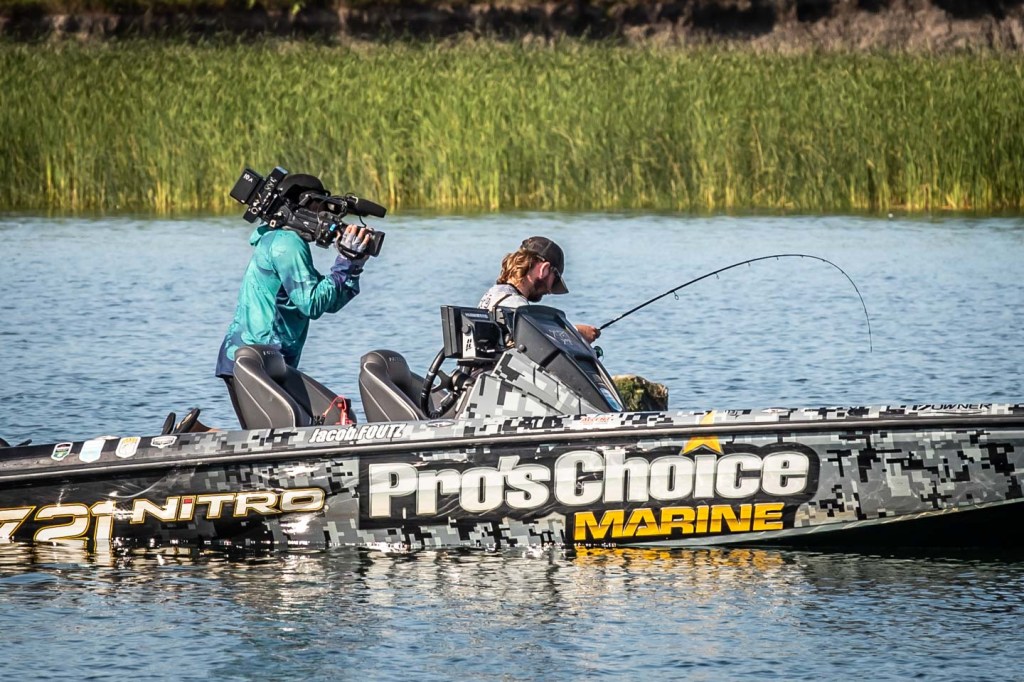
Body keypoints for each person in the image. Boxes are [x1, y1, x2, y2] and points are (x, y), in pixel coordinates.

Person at [215, 174, 377, 409]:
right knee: (314, 418)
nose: (325, 218)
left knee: (280, 425)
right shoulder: (287, 243)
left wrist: (353, 265)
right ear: (301, 206)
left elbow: (327, 302)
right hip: (258, 362)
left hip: (259, 360)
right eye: (319, 208)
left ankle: (196, 427)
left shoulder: (276, 238)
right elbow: (311, 304)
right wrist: (345, 262)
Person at [478, 236, 600, 343]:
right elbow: (541, 340)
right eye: (555, 280)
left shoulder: (494, 295)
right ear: (544, 269)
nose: (550, 290)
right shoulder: (514, 304)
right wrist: (576, 334)